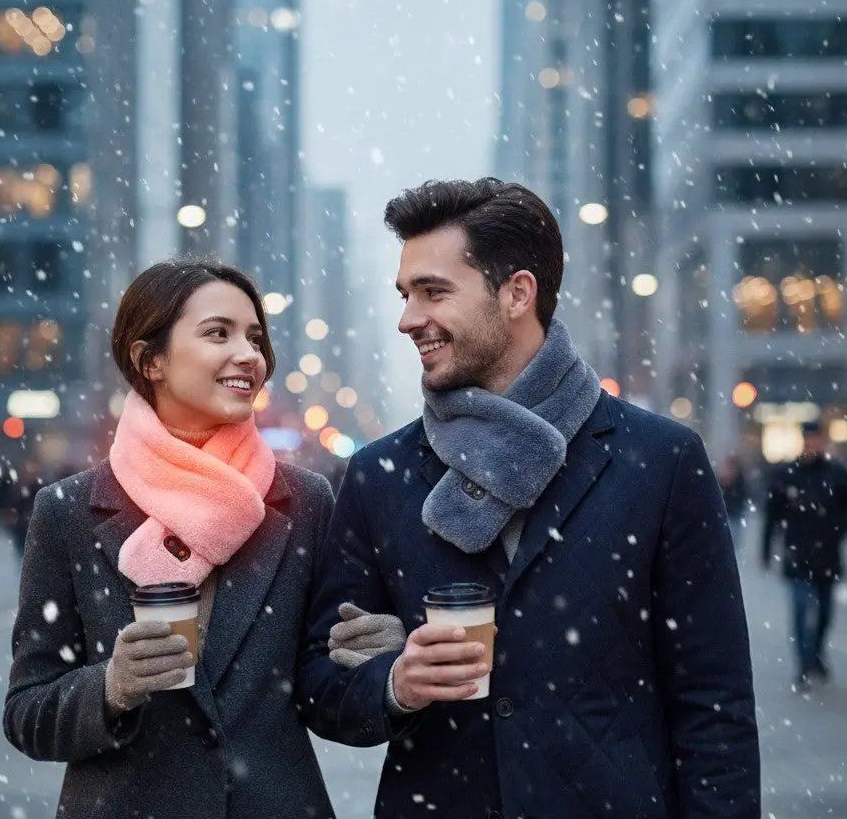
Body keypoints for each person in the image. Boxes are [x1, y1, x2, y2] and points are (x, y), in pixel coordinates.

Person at [299, 178, 760, 819]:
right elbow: (321, 686)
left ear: (517, 292)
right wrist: (395, 684)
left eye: (434, 292)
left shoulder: (661, 460)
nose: (407, 320)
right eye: (405, 295)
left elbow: (714, 705)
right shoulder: (378, 476)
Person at [4, 259, 381, 819]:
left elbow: (326, 692)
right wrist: (111, 688)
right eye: (217, 333)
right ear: (149, 359)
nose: (249, 354)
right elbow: (27, 712)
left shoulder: (304, 502)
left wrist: (378, 667)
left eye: (255, 337)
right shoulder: (68, 513)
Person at [762, 420, 847, 690]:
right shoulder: (788, 473)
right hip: (798, 554)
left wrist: (838, 530)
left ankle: (816, 654)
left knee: (825, 612)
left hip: (828, 555)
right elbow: (772, 513)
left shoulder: (835, 473)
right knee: (801, 609)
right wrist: (767, 549)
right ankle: (804, 664)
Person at [719, 454, 749, 551]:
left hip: (734, 515)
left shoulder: (739, 480)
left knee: (732, 545)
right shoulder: (722, 480)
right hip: (727, 515)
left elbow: (740, 497)